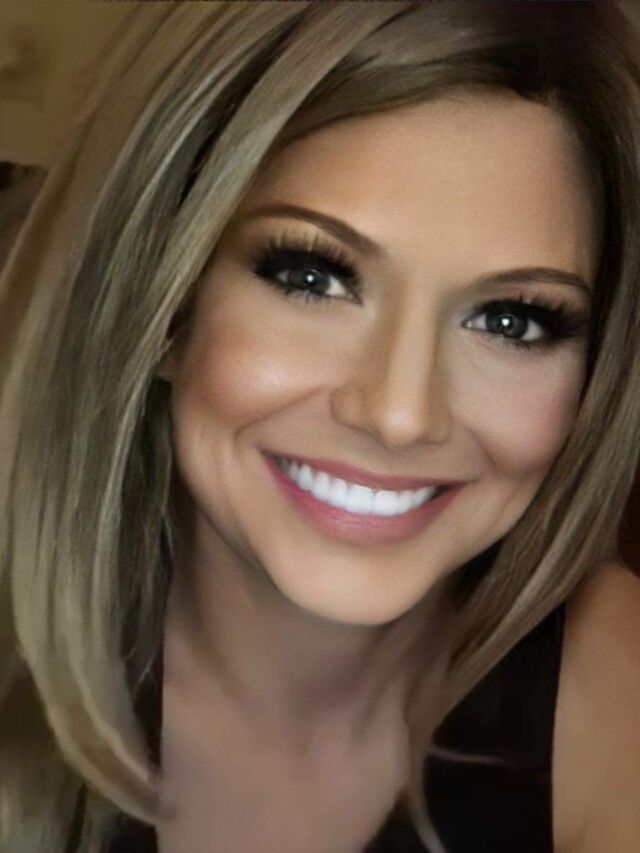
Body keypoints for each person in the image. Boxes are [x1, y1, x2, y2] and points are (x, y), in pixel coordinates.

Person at [1, 2, 640, 851]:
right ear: (163, 304)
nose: (400, 415)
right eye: (311, 277)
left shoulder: (614, 684)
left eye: (510, 320)